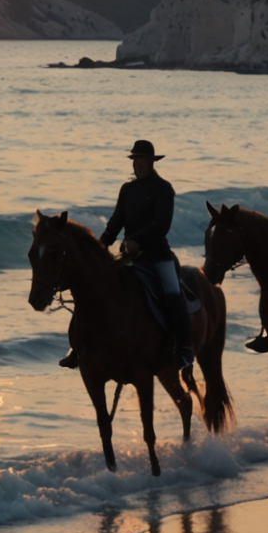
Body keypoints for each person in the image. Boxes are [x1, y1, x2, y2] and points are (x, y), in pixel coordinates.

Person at [62, 139, 191, 371]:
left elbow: (162, 225)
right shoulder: (127, 189)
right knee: (93, 289)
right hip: (131, 258)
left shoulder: (164, 189)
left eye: (141, 159)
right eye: (135, 160)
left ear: (151, 162)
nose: (137, 164)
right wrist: (102, 244)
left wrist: (136, 240)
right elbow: (116, 221)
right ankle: (77, 346)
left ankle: (183, 350)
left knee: (173, 293)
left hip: (158, 256)